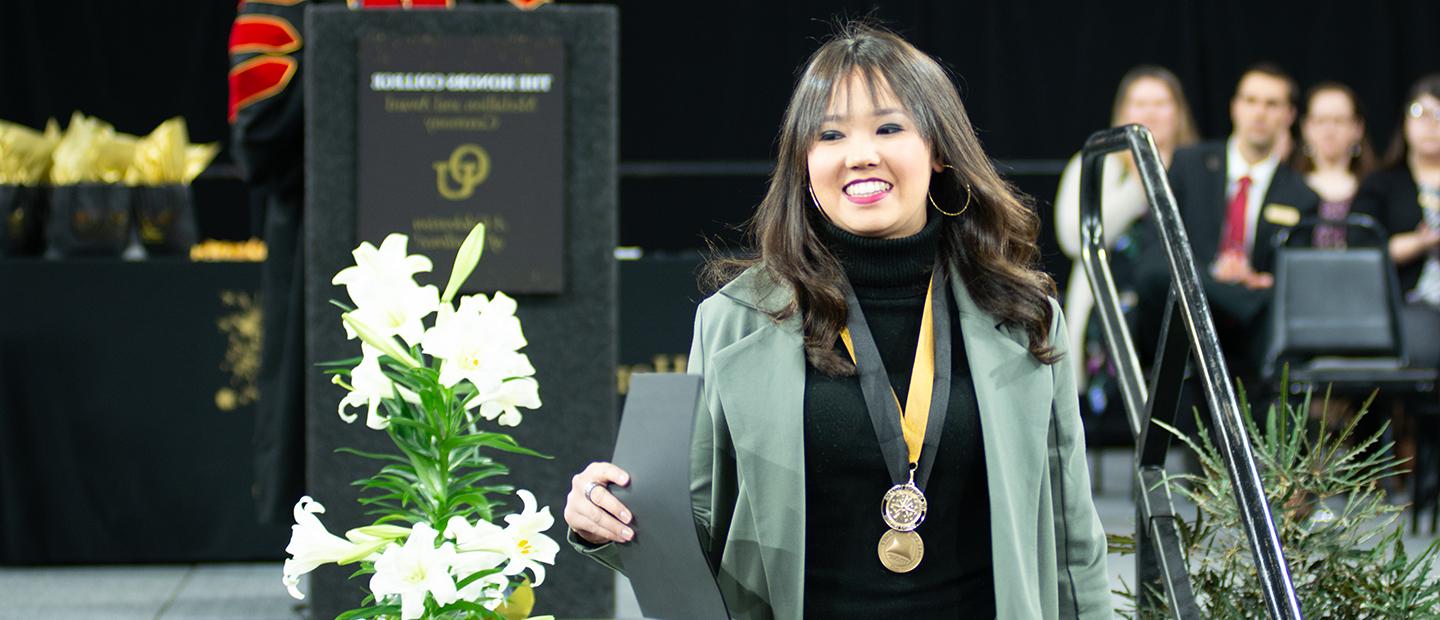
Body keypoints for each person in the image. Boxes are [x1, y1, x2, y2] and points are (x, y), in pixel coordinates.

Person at [563, 23, 1110, 619]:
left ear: (940, 149)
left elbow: (1071, 538)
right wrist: (606, 516)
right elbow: (694, 526)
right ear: (804, 162)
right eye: (829, 135)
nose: (860, 154)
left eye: (889, 127)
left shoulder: (1023, 315)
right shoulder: (735, 321)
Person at [1135, 63, 1319, 382]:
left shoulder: (1301, 195)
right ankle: (1230, 296)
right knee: (1153, 269)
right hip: (1185, 314)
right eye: (1250, 100)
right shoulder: (1190, 164)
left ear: (1289, 115)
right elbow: (1155, 247)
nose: (1259, 113)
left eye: (1271, 104)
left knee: (1277, 308)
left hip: (1246, 335)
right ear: (1235, 107)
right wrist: (1215, 277)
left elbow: (1289, 278)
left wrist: (1252, 278)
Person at [1052, 65, 1197, 421]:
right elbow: (1074, 239)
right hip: (1108, 310)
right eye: (1139, 103)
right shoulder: (1095, 163)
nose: (1149, 113)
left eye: (1161, 103)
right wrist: (1142, 179)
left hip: (1177, 311)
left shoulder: (1199, 170)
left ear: (1178, 112)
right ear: (1122, 111)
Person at [1354, 74, 1440, 372]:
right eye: (1420, 112)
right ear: (1404, 121)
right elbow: (1363, 250)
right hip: (1411, 300)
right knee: (1425, 346)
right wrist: (1422, 242)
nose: (1431, 123)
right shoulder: (1383, 183)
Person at [1292, 82, 1377, 248]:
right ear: (1306, 127)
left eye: (1339, 121)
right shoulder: (1288, 186)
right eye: (1321, 121)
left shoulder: (1375, 188)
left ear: (1358, 128)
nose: (1329, 130)